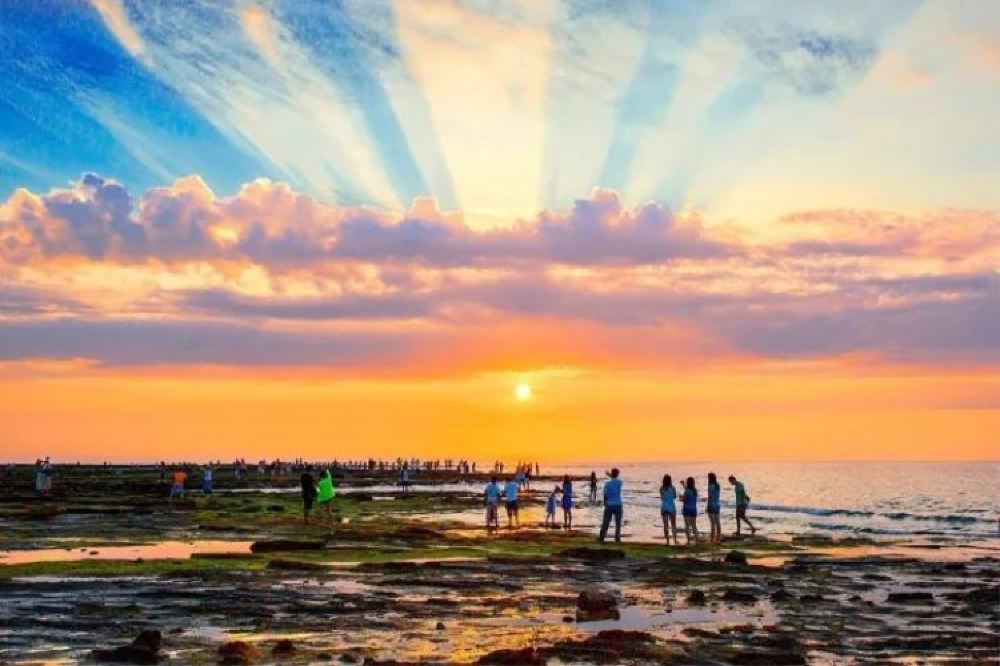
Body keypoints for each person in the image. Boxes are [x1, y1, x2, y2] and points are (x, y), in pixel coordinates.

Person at [598, 468, 623, 543]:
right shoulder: (619, 483)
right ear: (617, 474)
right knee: (618, 523)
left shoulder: (607, 484)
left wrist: (605, 502)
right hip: (618, 504)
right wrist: (611, 475)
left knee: (605, 522)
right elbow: (615, 478)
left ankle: (601, 537)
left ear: (612, 474)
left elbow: (605, 495)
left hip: (609, 504)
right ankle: (617, 538)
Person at [660, 474, 678, 545]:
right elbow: (674, 496)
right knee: (673, 525)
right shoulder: (673, 488)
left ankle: (667, 541)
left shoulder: (661, 488)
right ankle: (675, 539)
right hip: (672, 507)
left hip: (664, 507)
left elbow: (662, 497)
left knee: (666, 525)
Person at [682, 477, 699, 545]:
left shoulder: (687, 491)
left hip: (687, 509)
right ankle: (696, 539)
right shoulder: (695, 491)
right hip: (694, 509)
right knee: (694, 525)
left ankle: (688, 540)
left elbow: (685, 500)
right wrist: (683, 485)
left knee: (687, 526)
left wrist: (681, 499)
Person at [706, 472, 721, 544]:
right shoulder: (718, 485)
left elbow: (710, 497)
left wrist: (707, 506)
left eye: (708, 477)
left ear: (710, 478)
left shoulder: (710, 486)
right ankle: (718, 538)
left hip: (711, 505)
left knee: (712, 523)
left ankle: (712, 539)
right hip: (717, 505)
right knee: (717, 522)